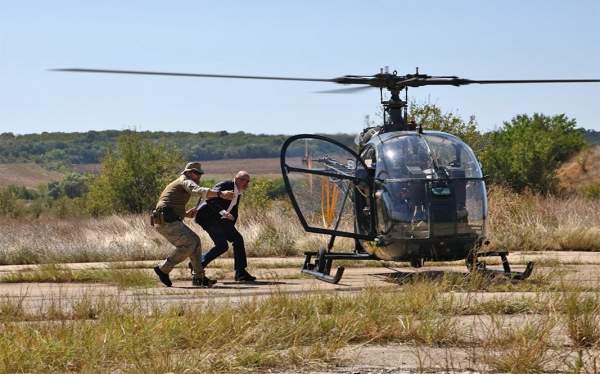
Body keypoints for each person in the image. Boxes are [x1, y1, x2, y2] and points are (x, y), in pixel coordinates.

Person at [152, 162, 234, 288]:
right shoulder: (185, 181)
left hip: (166, 220)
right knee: (190, 243)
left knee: (195, 241)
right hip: (167, 221)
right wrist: (221, 194)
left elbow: (168, 205)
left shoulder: (180, 183)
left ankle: (199, 278)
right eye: (196, 173)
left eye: (200, 174)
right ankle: (163, 269)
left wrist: (185, 214)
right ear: (188, 172)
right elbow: (197, 190)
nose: (198, 176)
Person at [192, 170, 256, 282]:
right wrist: (223, 212)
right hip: (208, 218)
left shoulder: (238, 192)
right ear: (236, 179)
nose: (246, 183)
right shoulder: (225, 185)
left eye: (247, 181)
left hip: (220, 220)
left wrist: (230, 224)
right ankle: (197, 265)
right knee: (222, 245)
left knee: (237, 239)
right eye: (243, 180)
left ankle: (240, 273)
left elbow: (233, 210)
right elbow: (209, 199)